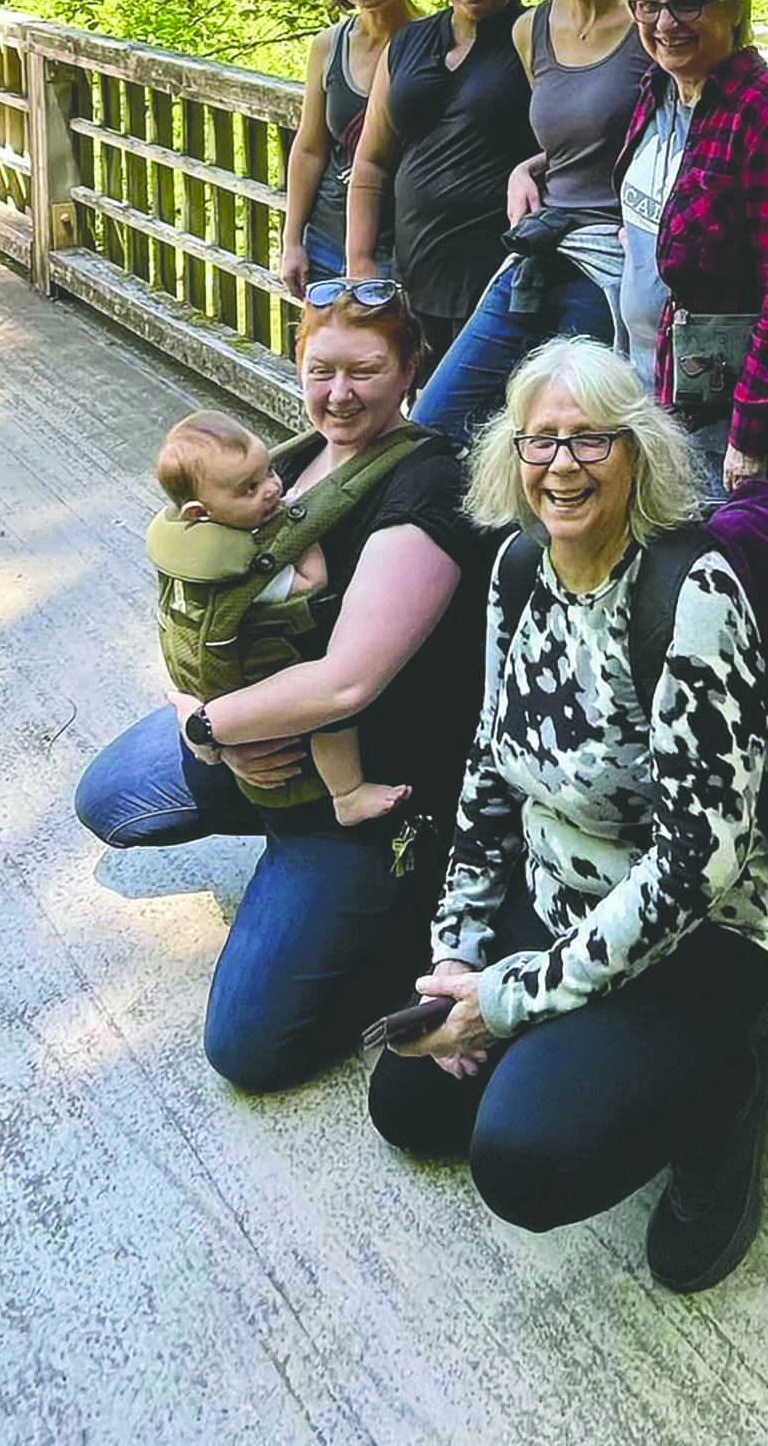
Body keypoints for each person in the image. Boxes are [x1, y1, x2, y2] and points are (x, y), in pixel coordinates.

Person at [368, 337, 768, 1295]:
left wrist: (510, 1001)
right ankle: (568, 1045)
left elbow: (695, 863)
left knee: (522, 1162)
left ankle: (731, 1089)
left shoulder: (691, 595)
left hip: (699, 935)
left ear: (638, 453)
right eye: (540, 441)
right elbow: (488, 762)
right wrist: (460, 955)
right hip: (559, 895)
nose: (562, 464)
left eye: (591, 441)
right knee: (411, 1100)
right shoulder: (518, 567)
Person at [75, 284, 484, 1091]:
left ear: (411, 370)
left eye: (365, 370)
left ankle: (387, 918)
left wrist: (210, 733)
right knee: (110, 798)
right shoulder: (284, 466)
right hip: (260, 750)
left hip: (362, 795)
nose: (338, 393)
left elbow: (346, 683)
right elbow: (192, 616)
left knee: (248, 1051)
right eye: (319, 369)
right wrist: (205, 721)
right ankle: (295, 878)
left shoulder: (427, 486)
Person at [411, 0, 650, 443]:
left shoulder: (651, 18)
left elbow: (681, 125)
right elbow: (569, 135)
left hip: (609, 265)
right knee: (432, 424)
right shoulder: (530, 30)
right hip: (539, 247)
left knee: (558, 430)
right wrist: (530, 164)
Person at [614, 0, 768, 494]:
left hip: (717, 415)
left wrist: (747, 438)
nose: (665, 23)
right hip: (647, 387)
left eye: (687, 3)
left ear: (731, 4)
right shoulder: (658, 90)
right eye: (648, 5)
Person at [146, 407, 410, 829]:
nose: (271, 489)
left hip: (201, 685)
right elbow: (311, 581)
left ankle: (190, 713)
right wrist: (299, 533)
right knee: (332, 712)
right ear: (199, 512)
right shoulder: (243, 564)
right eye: (250, 488)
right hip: (256, 687)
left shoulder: (190, 545)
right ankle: (347, 793)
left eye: (268, 471)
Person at [343, 0, 538, 369]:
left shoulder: (536, 36)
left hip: (500, 284)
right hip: (412, 278)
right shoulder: (407, 43)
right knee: (418, 422)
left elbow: (579, 134)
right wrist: (360, 266)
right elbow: (371, 162)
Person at [278, 0, 419, 296]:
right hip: (325, 238)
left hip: (403, 248)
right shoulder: (329, 45)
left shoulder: (435, 41)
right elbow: (309, 148)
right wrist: (291, 242)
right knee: (327, 356)